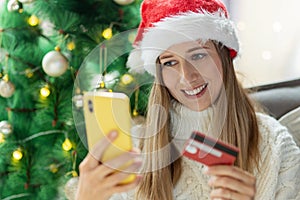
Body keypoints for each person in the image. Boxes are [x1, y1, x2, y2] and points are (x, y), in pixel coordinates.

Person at [73, 0, 300, 199]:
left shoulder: (275, 144)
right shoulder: (136, 151)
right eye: (170, 63)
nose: (187, 76)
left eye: (198, 55)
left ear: (224, 56)